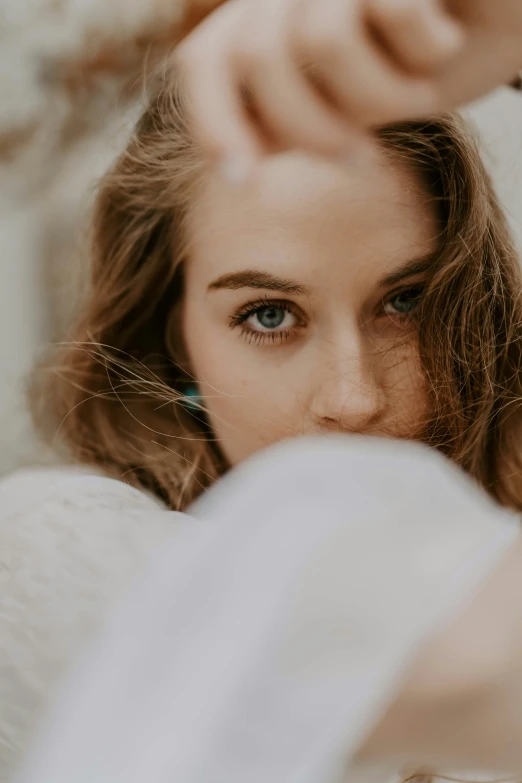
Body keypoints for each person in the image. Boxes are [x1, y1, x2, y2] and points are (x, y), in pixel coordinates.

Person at [1, 0, 522, 779]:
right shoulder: (54, 553)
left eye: (404, 301)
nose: (354, 399)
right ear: (175, 336)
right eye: (269, 314)